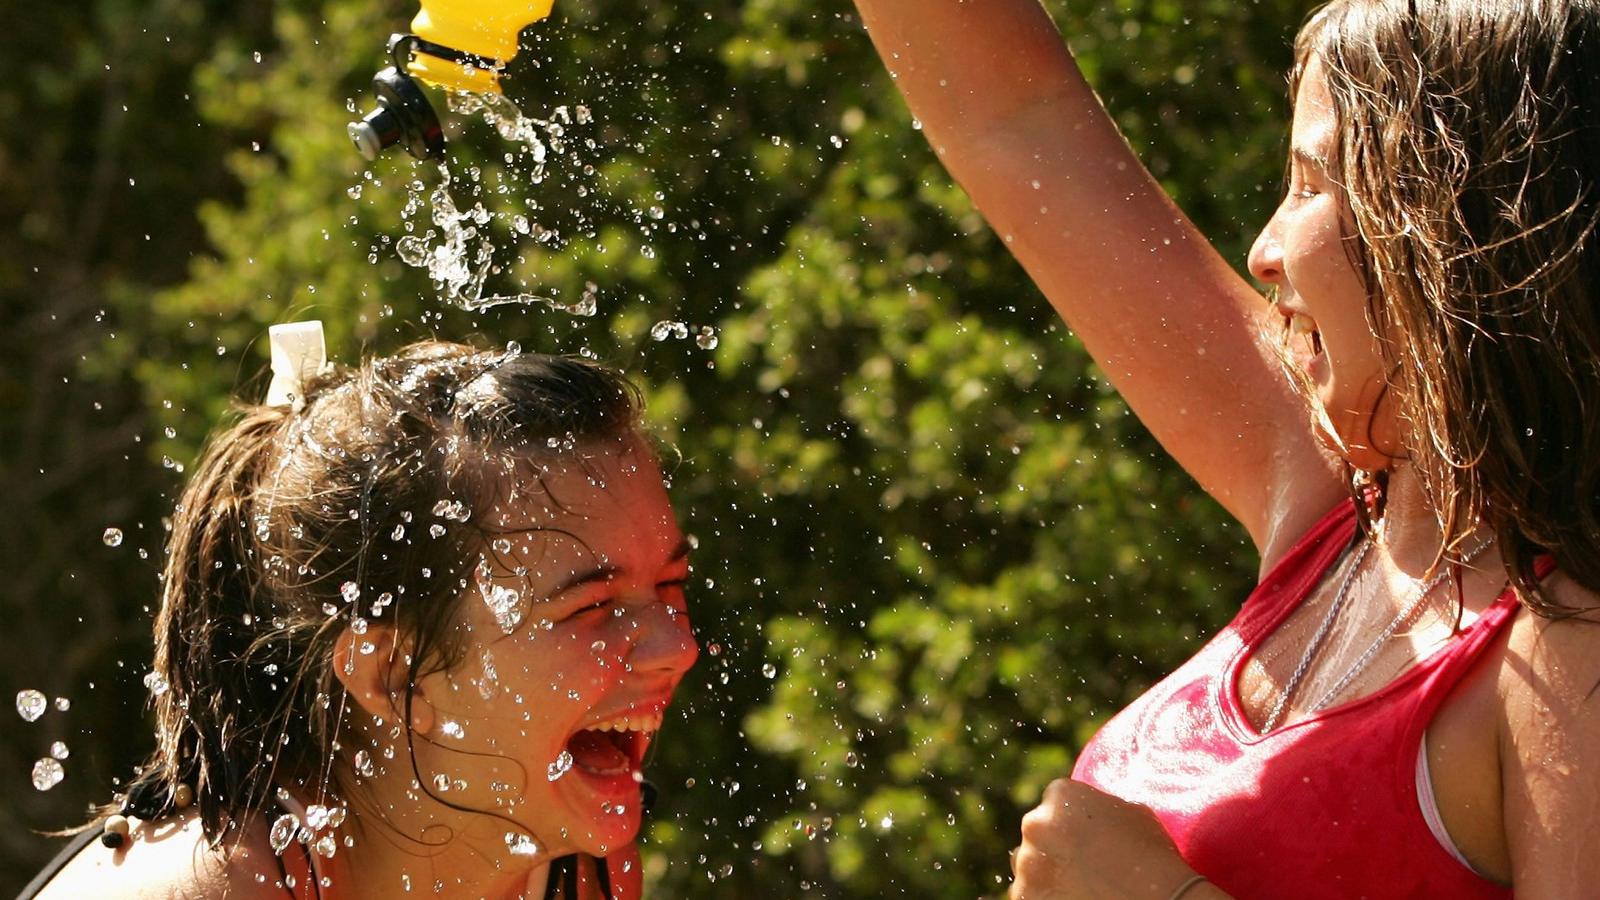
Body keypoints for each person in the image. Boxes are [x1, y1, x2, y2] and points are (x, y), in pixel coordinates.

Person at [851, 0, 1600, 897]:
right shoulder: (1338, 498)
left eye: (1312, 184)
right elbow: (1012, 119)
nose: (1265, 249)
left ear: (1455, 230)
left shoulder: (1570, 658)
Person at [22, 327, 699, 899]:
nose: (679, 645)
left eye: (671, 585)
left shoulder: (578, 873)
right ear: (394, 675)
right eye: (594, 605)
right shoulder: (215, 884)